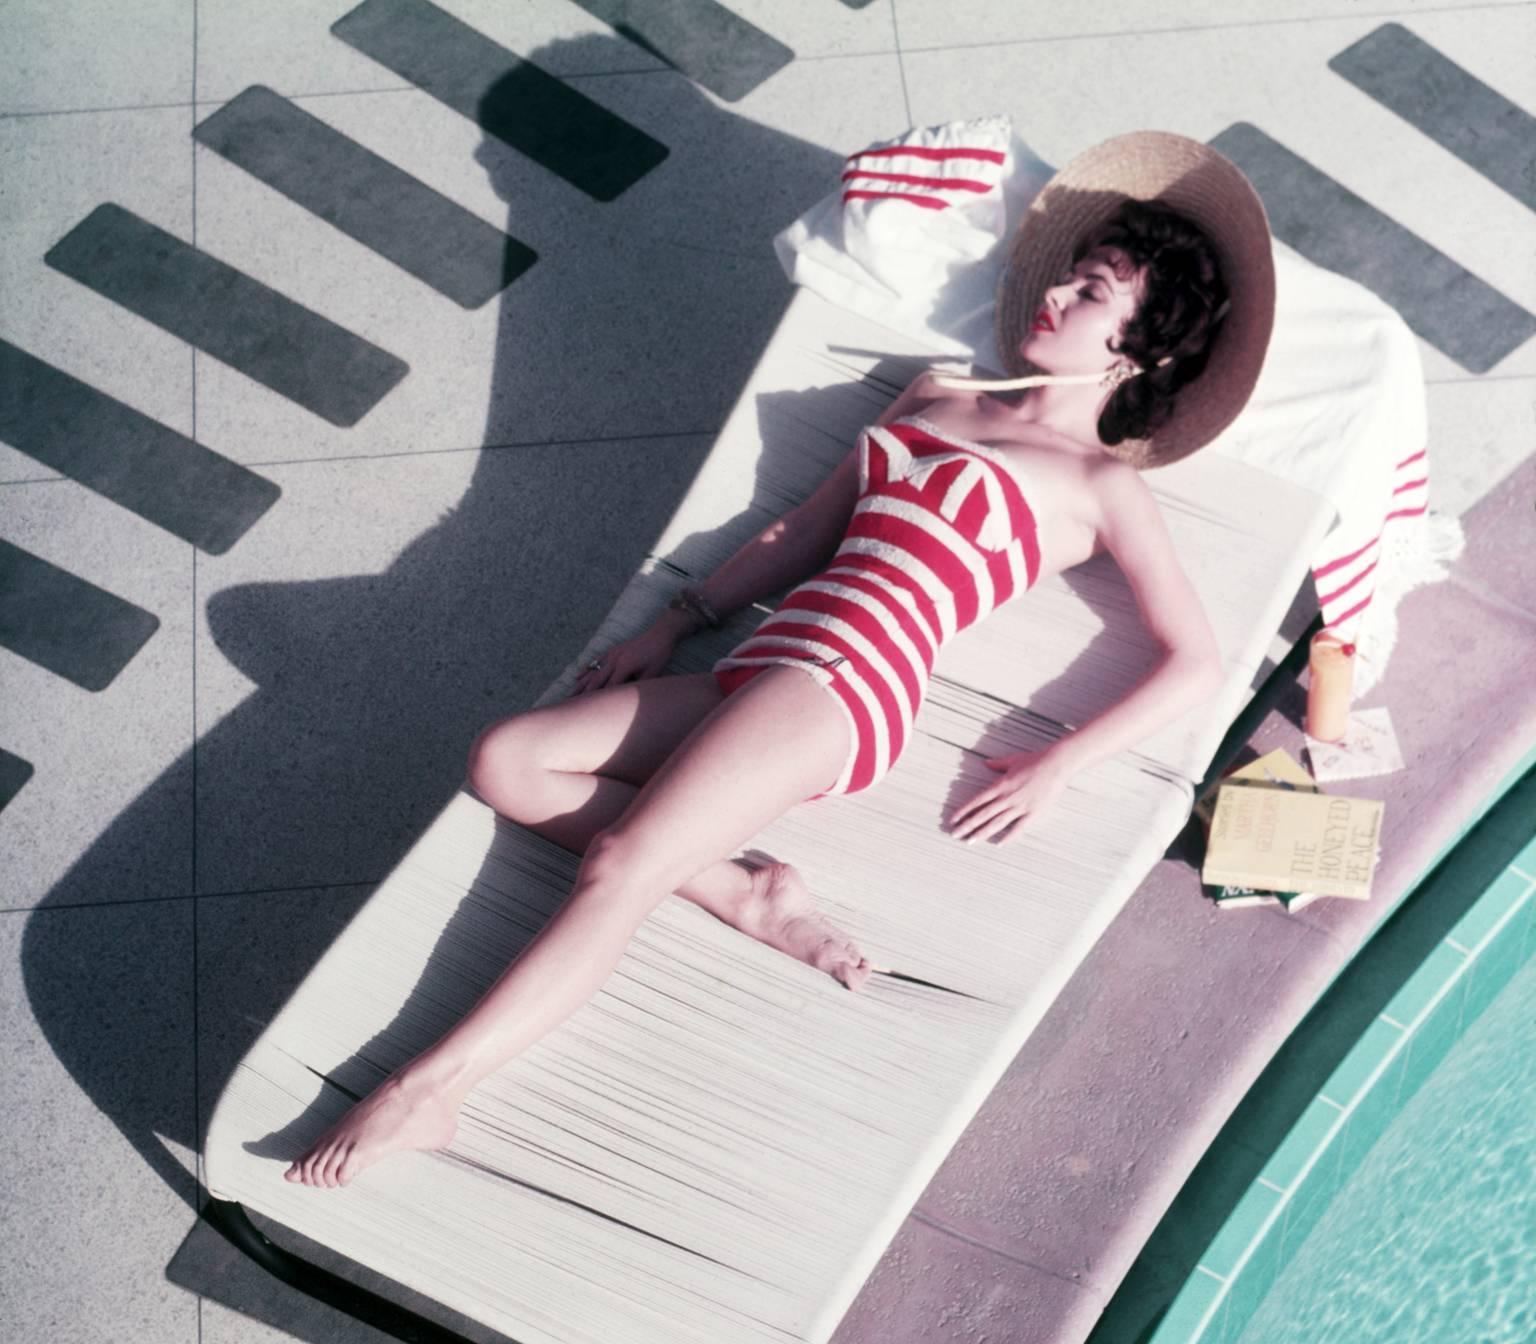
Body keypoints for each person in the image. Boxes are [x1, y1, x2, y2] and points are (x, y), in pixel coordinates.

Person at [286, 131, 1275, 1189]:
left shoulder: (1097, 483)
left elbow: (1194, 661)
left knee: (619, 863)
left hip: (848, 690)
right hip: (766, 659)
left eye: (1090, 294)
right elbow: (804, 531)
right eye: (1070, 278)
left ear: (1139, 352)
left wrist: (1059, 763)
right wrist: (679, 617)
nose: (1054, 299)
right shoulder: (936, 396)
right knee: (507, 760)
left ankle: (433, 1086)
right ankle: (747, 898)